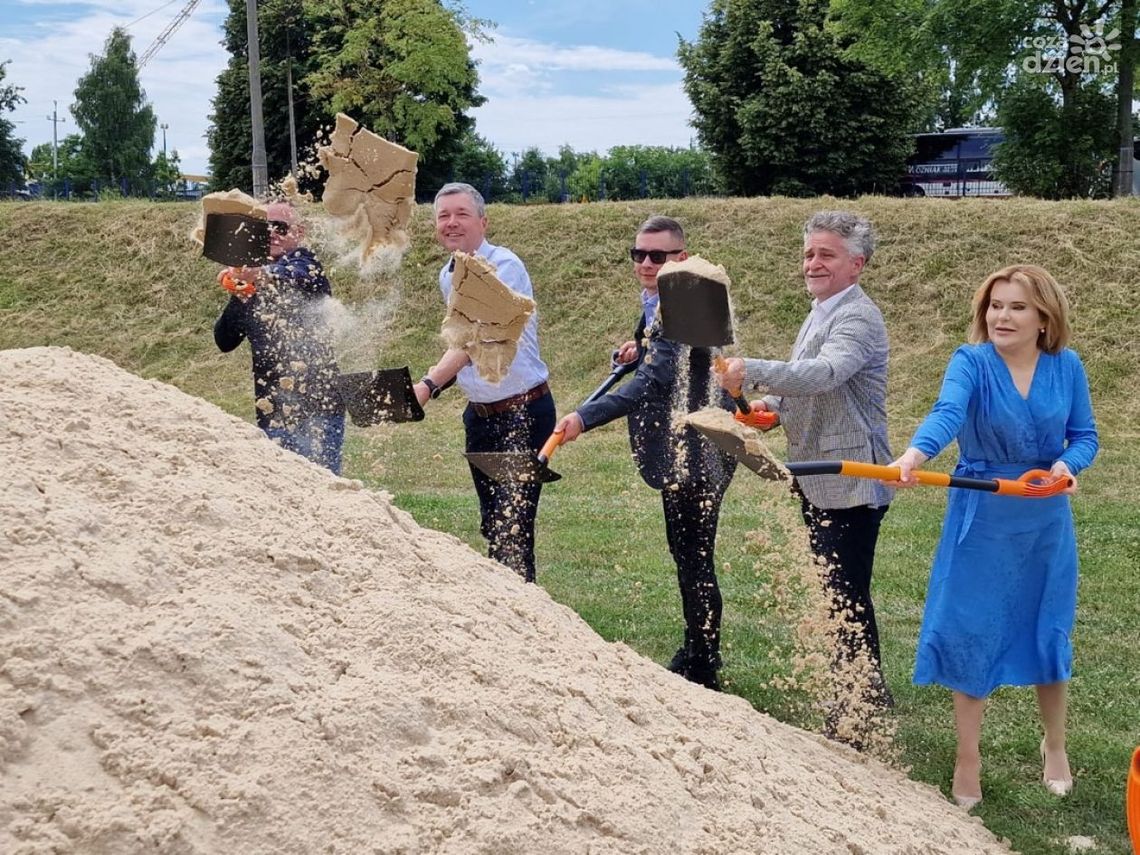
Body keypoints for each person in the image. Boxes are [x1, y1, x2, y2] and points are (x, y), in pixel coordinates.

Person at [888, 264, 1098, 809]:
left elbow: (1085, 436)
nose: (1001, 316)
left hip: (1044, 517)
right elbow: (948, 413)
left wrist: (1066, 466)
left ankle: (1055, 746)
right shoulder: (971, 361)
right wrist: (914, 455)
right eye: (995, 306)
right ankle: (968, 758)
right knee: (973, 629)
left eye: (1017, 307)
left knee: (1047, 627)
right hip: (983, 516)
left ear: (1044, 318)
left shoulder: (1066, 366)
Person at [716, 210, 894, 711]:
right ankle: (855, 692)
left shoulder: (857, 316)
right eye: (809, 253)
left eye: (826, 254)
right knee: (834, 590)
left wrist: (751, 369)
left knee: (846, 595)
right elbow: (806, 384)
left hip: (852, 477)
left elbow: (825, 372)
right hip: (819, 474)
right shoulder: (821, 310)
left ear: (856, 264)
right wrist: (769, 409)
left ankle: (862, 701)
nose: (813, 263)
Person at [554, 216, 737, 690]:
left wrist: (585, 417)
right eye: (639, 254)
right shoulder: (661, 298)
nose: (646, 263)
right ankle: (696, 648)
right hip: (681, 443)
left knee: (695, 557)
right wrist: (635, 348)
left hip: (701, 448)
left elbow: (654, 382)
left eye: (658, 255)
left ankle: (704, 666)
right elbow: (657, 352)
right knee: (685, 553)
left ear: (682, 257)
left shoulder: (687, 301)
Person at [412, 183, 555, 583]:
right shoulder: (448, 275)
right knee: (494, 525)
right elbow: (459, 342)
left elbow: (477, 337)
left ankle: (525, 611)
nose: (451, 223)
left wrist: (427, 386)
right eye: (443, 216)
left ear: (483, 222)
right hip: (481, 418)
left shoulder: (504, 266)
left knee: (513, 528)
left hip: (522, 413)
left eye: (461, 214)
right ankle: (505, 609)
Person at [214, 199, 345, 474]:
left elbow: (297, 276)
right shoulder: (254, 278)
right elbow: (224, 341)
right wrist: (240, 295)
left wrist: (260, 275)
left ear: (299, 232)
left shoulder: (307, 264)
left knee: (321, 488)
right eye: (264, 228)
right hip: (272, 411)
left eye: (280, 227)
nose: (272, 232)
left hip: (317, 409)